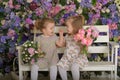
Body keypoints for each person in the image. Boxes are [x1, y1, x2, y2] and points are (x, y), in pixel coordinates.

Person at [57, 15, 88, 80]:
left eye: (68, 26)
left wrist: (84, 42)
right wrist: (61, 35)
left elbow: (85, 47)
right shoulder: (68, 36)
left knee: (74, 66)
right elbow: (62, 45)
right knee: (60, 66)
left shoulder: (80, 36)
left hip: (78, 58)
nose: (67, 28)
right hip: (68, 57)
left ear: (75, 27)